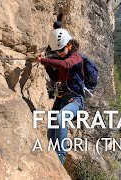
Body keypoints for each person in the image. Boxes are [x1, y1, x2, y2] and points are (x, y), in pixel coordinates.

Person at [35, 28, 84, 165]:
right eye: (57, 51)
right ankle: (51, 158)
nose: (59, 53)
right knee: (51, 131)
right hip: (61, 99)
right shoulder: (64, 57)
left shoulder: (76, 58)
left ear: (69, 45)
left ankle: (60, 156)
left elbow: (65, 64)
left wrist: (45, 60)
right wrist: (45, 65)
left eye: (61, 50)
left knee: (61, 117)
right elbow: (56, 77)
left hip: (75, 100)